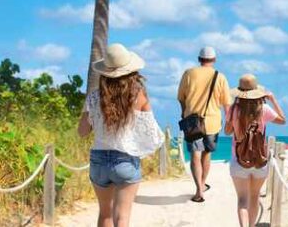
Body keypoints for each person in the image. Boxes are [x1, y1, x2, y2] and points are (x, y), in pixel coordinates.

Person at [78, 43, 164, 227]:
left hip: (99, 160)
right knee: (122, 217)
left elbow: (82, 132)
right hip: (125, 160)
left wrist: (93, 115)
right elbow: (152, 133)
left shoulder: (94, 97)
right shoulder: (138, 96)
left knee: (105, 214)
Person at [225, 74, 286, 227]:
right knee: (254, 197)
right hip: (260, 161)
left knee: (242, 200)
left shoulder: (233, 110)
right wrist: (272, 99)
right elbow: (283, 120)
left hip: (238, 160)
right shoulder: (263, 109)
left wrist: (231, 120)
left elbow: (227, 131)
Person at [176, 46, 231, 202]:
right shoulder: (220, 77)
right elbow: (226, 103)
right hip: (212, 121)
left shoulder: (188, 73)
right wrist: (229, 122)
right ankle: (202, 184)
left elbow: (181, 97)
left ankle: (199, 189)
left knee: (195, 154)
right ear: (214, 60)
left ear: (199, 59)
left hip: (193, 121)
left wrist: (184, 111)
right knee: (207, 153)